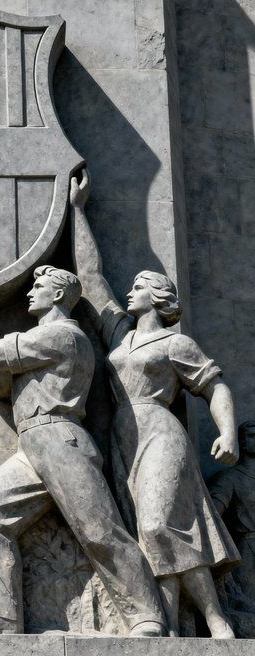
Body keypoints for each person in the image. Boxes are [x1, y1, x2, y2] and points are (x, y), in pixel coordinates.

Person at [0, 266, 167, 636]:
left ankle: (147, 616)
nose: (30, 293)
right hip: (32, 443)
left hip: (61, 440)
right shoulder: (40, 340)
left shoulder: (63, 335)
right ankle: (0, 616)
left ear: (59, 295)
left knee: (100, 532)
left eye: (39, 286)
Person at [70, 168, 240, 638]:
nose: (131, 290)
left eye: (140, 285)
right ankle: (167, 625)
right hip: (124, 436)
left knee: (158, 523)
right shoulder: (119, 337)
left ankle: (215, 618)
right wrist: (77, 211)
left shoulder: (175, 343)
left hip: (161, 431)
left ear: (159, 296)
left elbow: (215, 387)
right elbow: (90, 277)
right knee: (144, 533)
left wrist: (227, 433)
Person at [210, 421, 255, 607]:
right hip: (247, 550)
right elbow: (212, 516)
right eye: (252, 436)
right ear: (241, 442)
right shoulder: (229, 479)